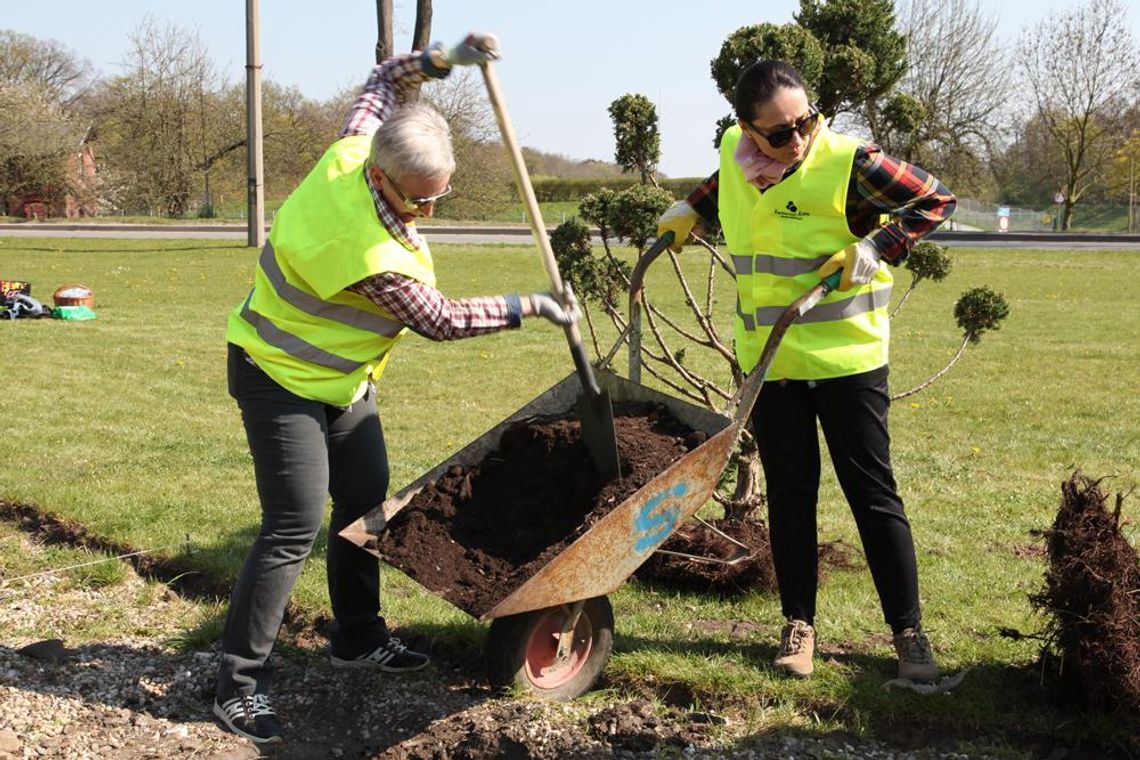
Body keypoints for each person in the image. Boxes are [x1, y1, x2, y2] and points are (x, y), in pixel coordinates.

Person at [214, 33, 580, 745]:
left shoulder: (359, 144)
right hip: (276, 375)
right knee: (291, 525)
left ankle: (357, 636)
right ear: (382, 178)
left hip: (344, 383)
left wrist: (445, 62)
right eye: (419, 202)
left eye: (440, 198)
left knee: (365, 503)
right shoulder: (370, 251)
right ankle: (238, 682)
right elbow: (440, 321)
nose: (429, 213)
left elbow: (385, 77)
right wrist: (530, 306)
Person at [657, 60, 956, 682]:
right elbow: (725, 185)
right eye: (777, 133)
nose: (797, 140)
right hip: (772, 365)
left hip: (848, 363)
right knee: (792, 498)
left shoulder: (850, 162)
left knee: (873, 497)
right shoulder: (738, 153)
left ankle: (909, 633)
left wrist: (876, 247)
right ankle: (799, 627)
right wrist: (689, 206)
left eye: (806, 122)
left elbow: (935, 200)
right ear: (745, 130)